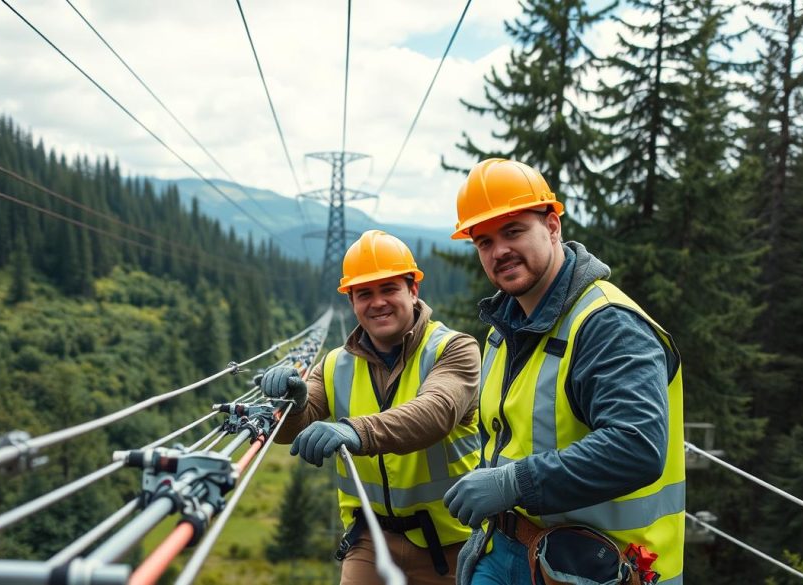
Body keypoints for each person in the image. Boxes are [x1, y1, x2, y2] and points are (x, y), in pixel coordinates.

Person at [442, 159, 685, 584]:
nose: (499, 251)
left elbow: (636, 446)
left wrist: (511, 482)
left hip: (596, 566)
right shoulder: (503, 329)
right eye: (484, 241)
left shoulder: (607, 324)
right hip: (507, 549)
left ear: (552, 226)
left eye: (513, 231)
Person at [259, 229, 482, 585]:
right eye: (364, 293)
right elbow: (286, 432)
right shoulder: (334, 365)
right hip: (368, 540)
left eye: (389, 289)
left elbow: (436, 412)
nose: (377, 302)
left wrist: (353, 430)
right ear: (352, 302)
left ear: (413, 290)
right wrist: (290, 403)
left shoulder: (454, 349)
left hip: (451, 542)